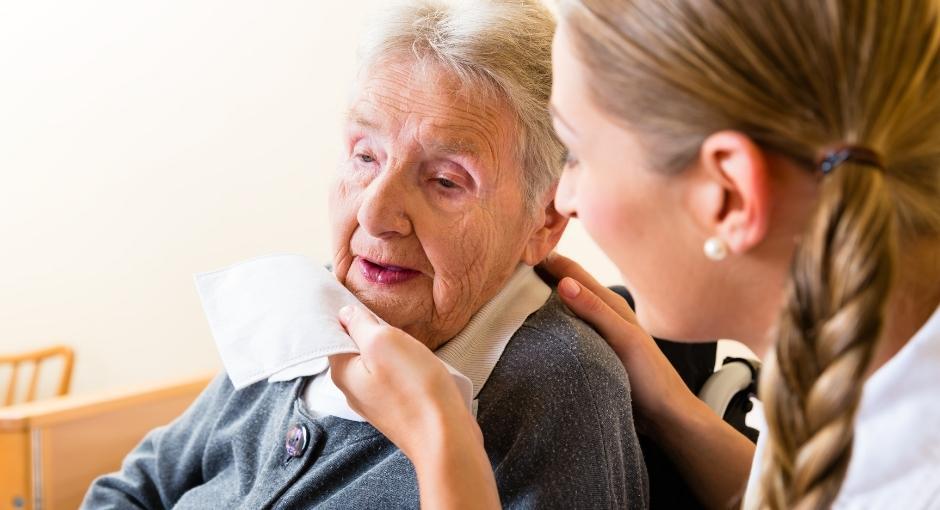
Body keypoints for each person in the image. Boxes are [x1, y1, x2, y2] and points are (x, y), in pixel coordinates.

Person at [330, 0, 940, 508]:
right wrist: (679, 413)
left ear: (727, 196)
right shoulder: (856, 388)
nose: (563, 202)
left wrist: (444, 447)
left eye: (579, 155)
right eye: (364, 155)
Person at [82, 1, 650, 508]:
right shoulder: (309, 305)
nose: (376, 215)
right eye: (364, 156)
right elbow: (136, 488)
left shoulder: (561, 385)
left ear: (544, 217)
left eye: (446, 181)